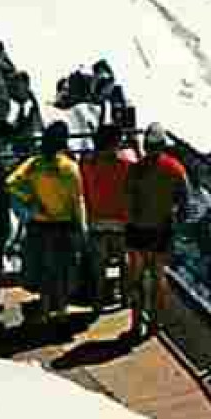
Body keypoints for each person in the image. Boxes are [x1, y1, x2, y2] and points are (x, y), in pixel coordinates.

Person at [6, 121, 86, 323]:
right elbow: (77, 201)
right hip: (63, 225)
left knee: (44, 269)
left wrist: (31, 202)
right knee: (63, 269)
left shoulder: (34, 164)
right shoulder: (70, 168)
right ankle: (61, 311)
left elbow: (11, 184)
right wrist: (81, 228)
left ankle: (43, 311)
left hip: (40, 224)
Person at [123, 123, 189, 340]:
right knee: (159, 278)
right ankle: (154, 324)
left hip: (137, 230)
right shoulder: (175, 168)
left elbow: (128, 201)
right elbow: (184, 203)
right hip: (162, 230)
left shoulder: (135, 169)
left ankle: (135, 324)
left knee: (137, 277)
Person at [78, 123, 135, 311]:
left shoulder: (87, 163)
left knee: (98, 264)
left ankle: (97, 302)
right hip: (121, 219)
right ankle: (126, 299)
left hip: (96, 218)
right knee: (124, 261)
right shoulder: (126, 164)